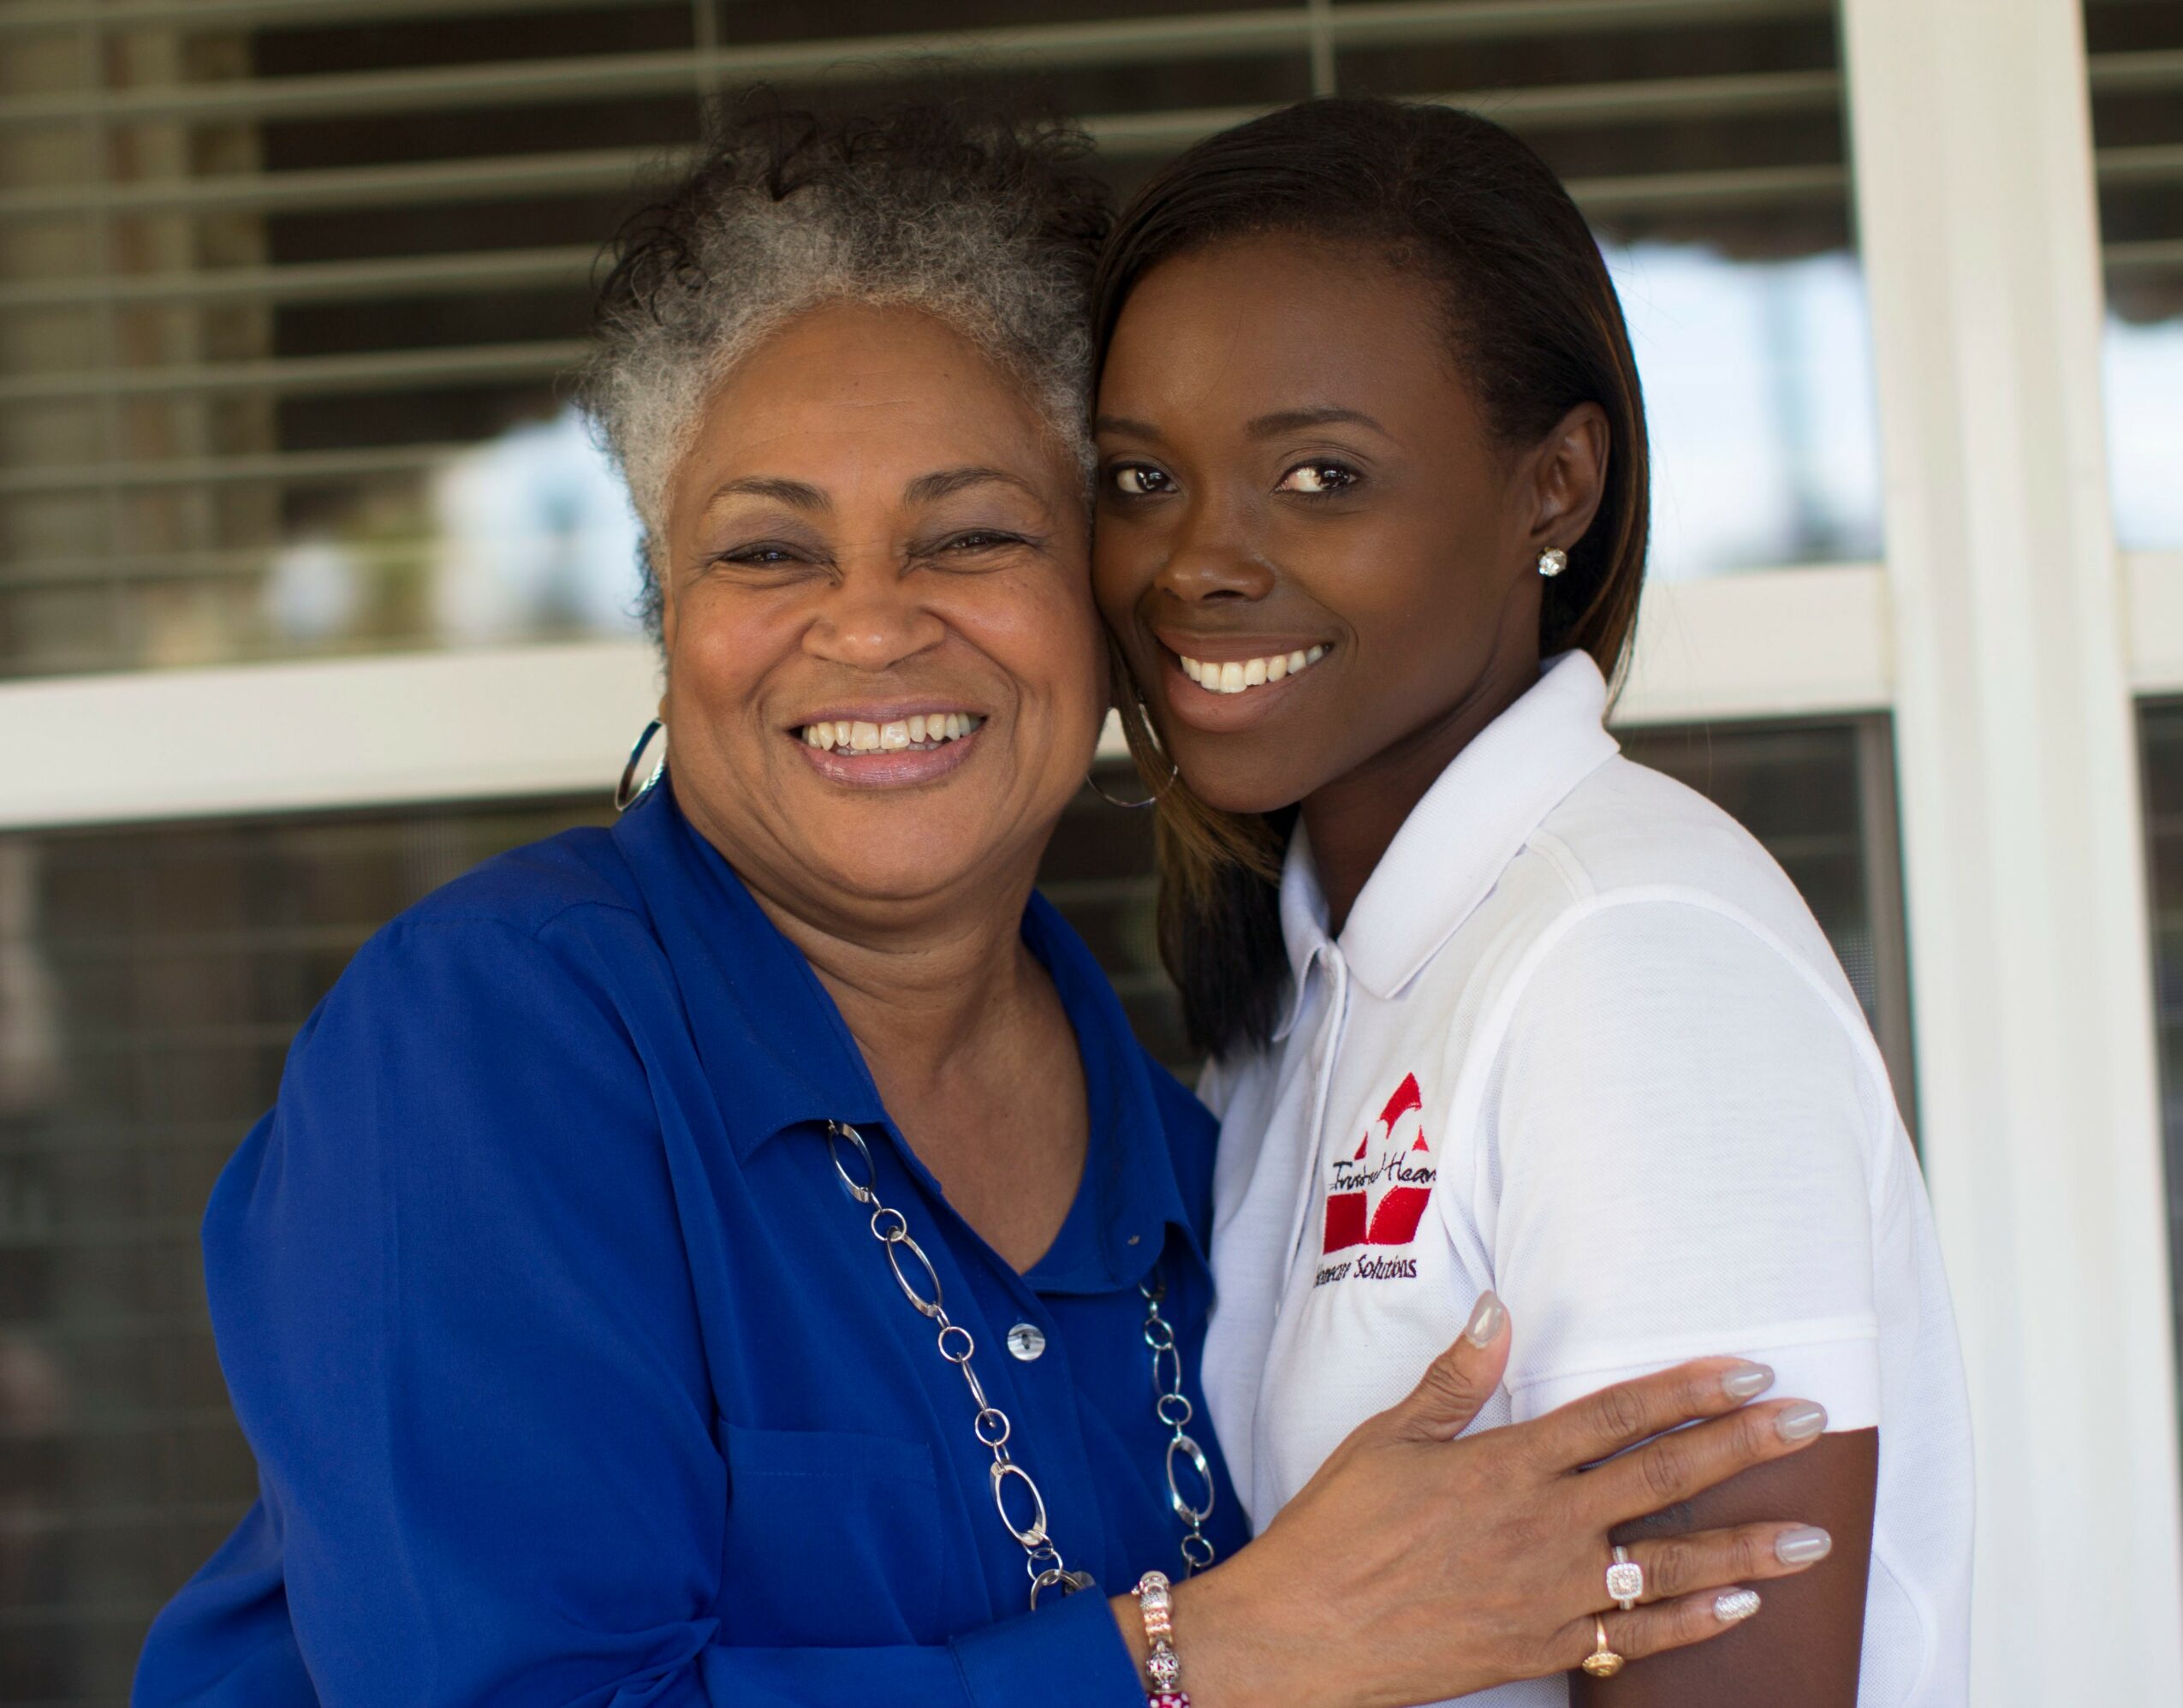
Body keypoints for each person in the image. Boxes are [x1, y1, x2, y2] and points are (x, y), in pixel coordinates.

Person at [135, 104, 1837, 1708]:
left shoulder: (1202, 1162)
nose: (869, 627)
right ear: (669, 612)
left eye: (968, 536)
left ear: (1100, 603)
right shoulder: (496, 1048)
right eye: (769, 550)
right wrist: (1208, 1651)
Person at [1089, 98, 1975, 1706]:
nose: (1192, 561)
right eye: (1141, 474)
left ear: (1553, 488)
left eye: (1317, 474)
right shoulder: (1312, 983)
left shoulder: (1626, 955)